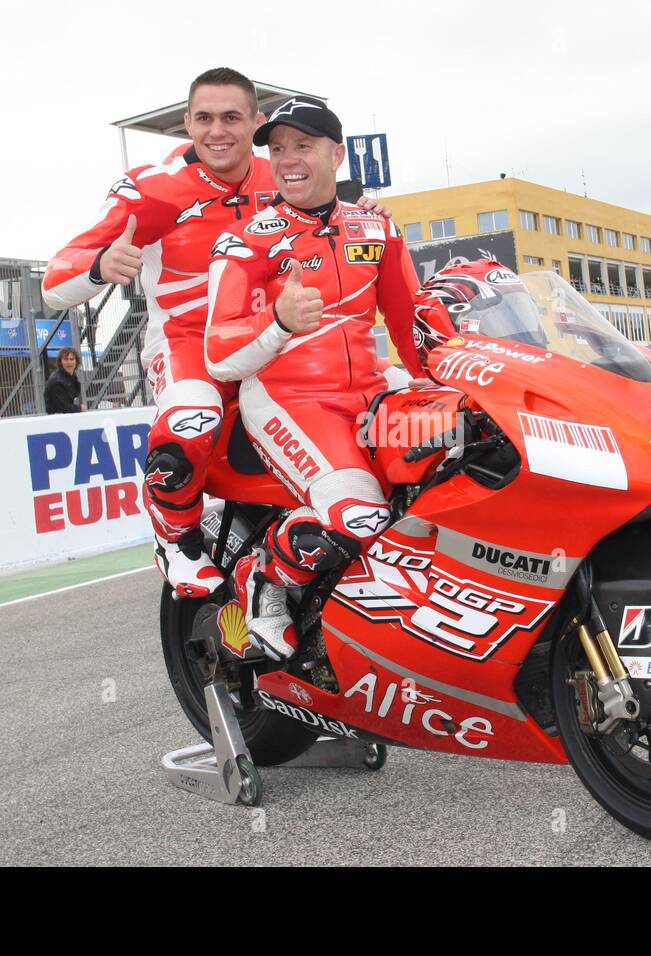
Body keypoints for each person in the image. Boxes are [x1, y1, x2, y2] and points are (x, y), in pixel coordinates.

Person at [42, 67, 389, 599]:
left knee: (400, 407)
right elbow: (52, 282)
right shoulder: (150, 189)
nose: (217, 131)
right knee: (192, 416)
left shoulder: (285, 172)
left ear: (255, 121)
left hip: (280, 343)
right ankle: (175, 537)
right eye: (204, 118)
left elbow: (337, 222)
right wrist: (98, 265)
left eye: (231, 117)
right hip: (188, 343)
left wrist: (367, 210)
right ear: (187, 123)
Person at [205, 96, 455, 660]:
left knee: (464, 462)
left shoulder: (376, 225)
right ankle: (262, 576)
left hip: (371, 389)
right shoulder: (246, 240)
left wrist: (454, 377)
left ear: (337, 154)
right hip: (289, 398)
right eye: (277, 149)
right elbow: (218, 353)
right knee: (359, 516)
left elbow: (410, 321)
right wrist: (277, 320)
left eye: (303, 145)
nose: (288, 160)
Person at [44, 347, 84, 414]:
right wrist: (80, 408)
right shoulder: (57, 382)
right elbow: (64, 408)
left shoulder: (71, 377)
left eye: (72, 359)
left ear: (76, 361)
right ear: (60, 362)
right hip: (57, 417)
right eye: (66, 359)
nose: (69, 362)